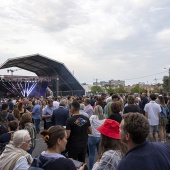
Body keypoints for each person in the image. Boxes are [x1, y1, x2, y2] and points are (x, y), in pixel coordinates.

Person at [88, 105, 105, 170]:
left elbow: (89, 125)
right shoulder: (104, 118)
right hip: (100, 137)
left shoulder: (92, 117)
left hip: (92, 137)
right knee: (100, 154)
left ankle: (90, 168)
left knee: (91, 154)